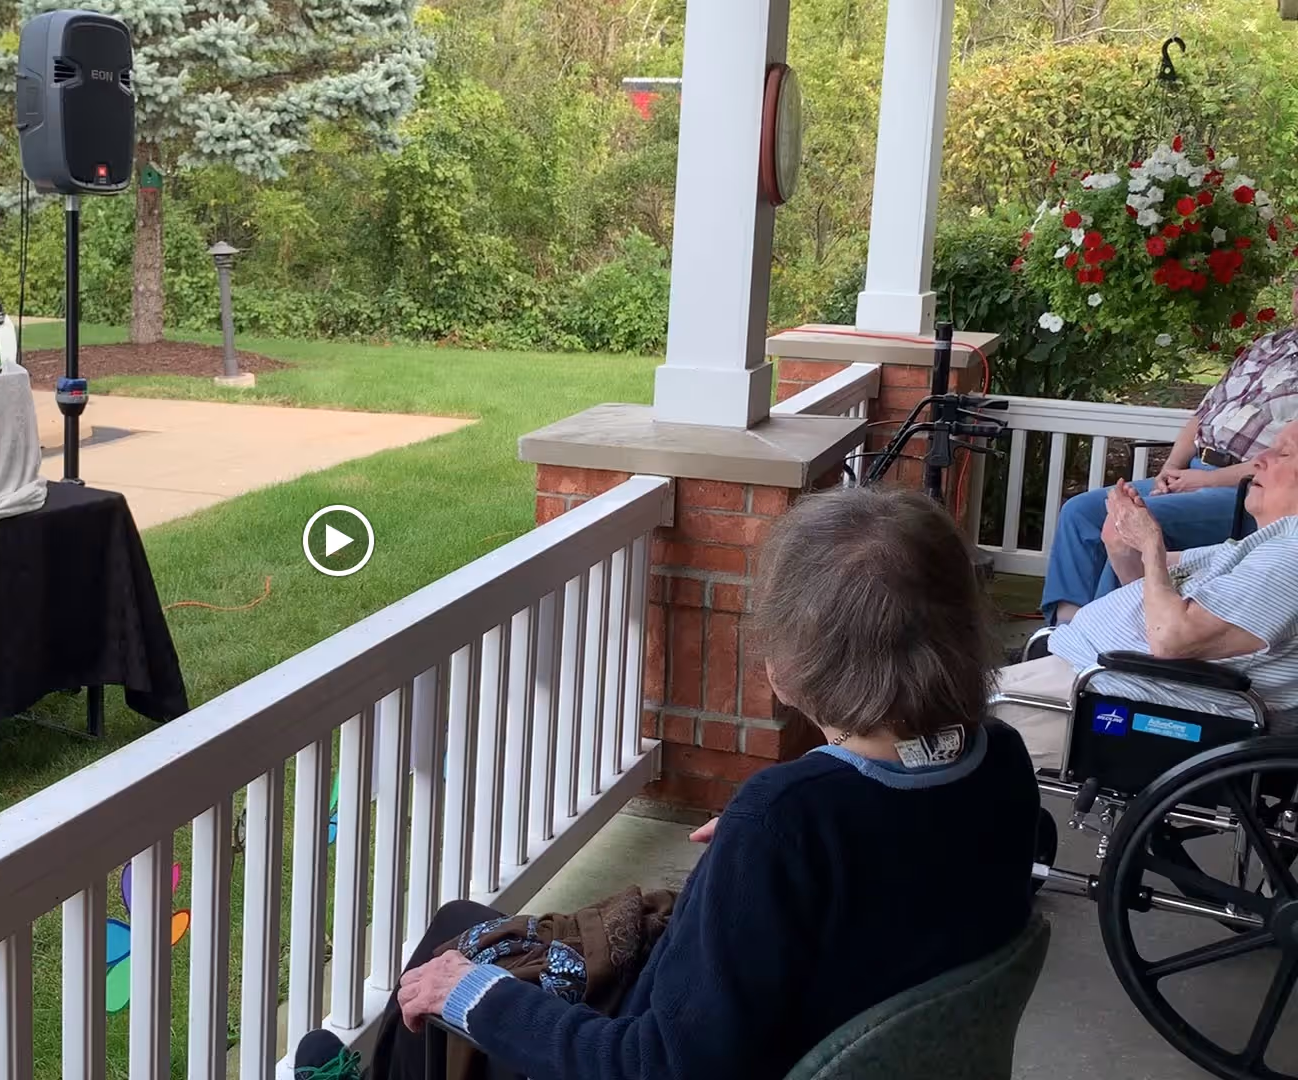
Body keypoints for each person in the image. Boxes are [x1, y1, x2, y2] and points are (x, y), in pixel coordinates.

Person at [295, 487, 1040, 1080]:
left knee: (449, 978)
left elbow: (657, 1065)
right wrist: (767, 847)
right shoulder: (998, 758)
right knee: (457, 923)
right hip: (834, 1025)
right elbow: (916, 852)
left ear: (790, 665)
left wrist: (473, 998)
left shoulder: (791, 819)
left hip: (692, 1049)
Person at [996, 422, 1298, 769]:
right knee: (939, 713)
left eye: (1284, 453)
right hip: (1097, 674)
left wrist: (1151, 544)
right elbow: (1155, 592)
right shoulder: (1262, 546)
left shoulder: (1289, 557)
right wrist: (1125, 546)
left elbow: (1171, 639)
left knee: (943, 732)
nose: (1260, 459)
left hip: (1125, 699)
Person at [1042, 326, 1298, 624]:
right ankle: (1062, 633)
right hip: (1193, 472)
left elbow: (1284, 461)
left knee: (1131, 523)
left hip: (1248, 489)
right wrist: (1171, 469)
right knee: (1079, 512)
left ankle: (1104, 636)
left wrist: (1207, 480)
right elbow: (1203, 415)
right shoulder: (1270, 344)